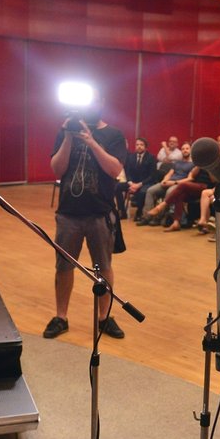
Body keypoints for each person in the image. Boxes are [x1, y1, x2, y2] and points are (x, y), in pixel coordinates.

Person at [43, 89, 128, 340]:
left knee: (104, 268)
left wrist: (90, 141)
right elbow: (57, 169)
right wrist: (69, 136)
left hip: (99, 214)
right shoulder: (64, 132)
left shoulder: (113, 135)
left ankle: (104, 317)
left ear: (102, 102)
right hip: (68, 214)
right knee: (63, 267)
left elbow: (114, 170)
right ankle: (61, 317)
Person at [116, 136, 156, 221]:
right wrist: (130, 183)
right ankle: (122, 211)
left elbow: (152, 176)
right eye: (137, 144)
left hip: (145, 183)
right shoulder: (131, 157)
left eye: (141, 145)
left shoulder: (151, 158)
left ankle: (139, 212)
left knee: (142, 191)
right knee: (117, 187)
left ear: (145, 147)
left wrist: (139, 185)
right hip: (132, 182)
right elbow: (128, 172)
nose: (139, 146)